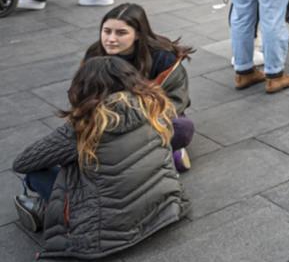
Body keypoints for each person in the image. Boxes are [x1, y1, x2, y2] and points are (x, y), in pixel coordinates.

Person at [12, 56, 188, 256]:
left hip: (101, 232)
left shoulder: (86, 126)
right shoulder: (155, 107)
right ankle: (44, 208)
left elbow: (22, 162)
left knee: (36, 175)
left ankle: (43, 208)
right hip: (163, 209)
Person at [82, 3, 196, 171]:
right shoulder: (94, 54)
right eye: (106, 31)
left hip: (152, 117)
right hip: (110, 120)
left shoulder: (162, 57)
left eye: (121, 33)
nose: (111, 39)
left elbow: (176, 101)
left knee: (182, 128)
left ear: (137, 34)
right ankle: (157, 154)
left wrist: (138, 121)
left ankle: (143, 155)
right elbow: (83, 97)